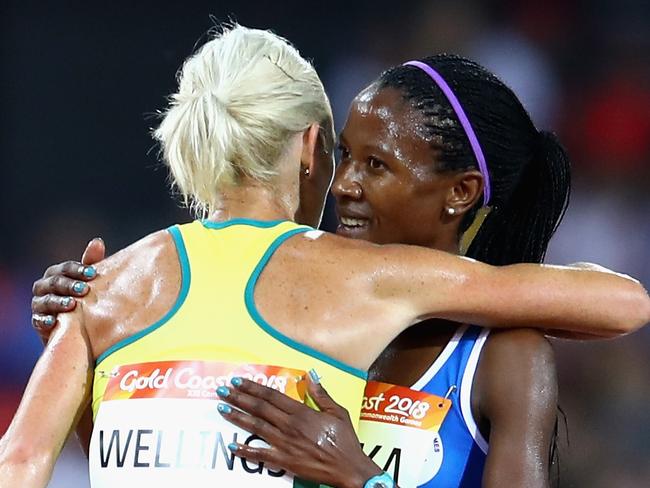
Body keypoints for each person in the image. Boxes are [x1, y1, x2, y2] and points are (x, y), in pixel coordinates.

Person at [9, 25, 650, 488]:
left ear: (460, 194)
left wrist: (361, 478)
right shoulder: (328, 289)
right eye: (344, 156)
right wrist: (97, 369)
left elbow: (626, 302)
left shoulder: (491, 348)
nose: (344, 185)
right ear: (313, 147)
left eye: (375, 165)